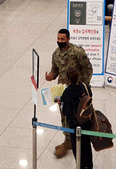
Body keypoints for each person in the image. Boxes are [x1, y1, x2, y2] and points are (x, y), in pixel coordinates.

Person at [44, 29, 93, 158]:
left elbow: (88, 69)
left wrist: (84, 86)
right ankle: (68, 140)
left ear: (68, 39)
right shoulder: (56, 54)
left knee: (80, 116)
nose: (60, 41)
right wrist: (51, 76)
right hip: (64, 91)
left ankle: (81, 140)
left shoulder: (77, 52)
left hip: (78, 92)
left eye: (62, 39)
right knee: (65, 115)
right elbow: (55, 70)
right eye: (58, 39)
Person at [60, 68, 93, 169]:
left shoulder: (67, 93)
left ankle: (80, 166)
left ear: (68, 79)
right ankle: (89, 166)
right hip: (86, 122)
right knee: (87, 145)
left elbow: (66, 112)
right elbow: (90, 96)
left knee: (77, 147)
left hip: (74, 125)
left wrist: (60, 104)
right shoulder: (85, 86)